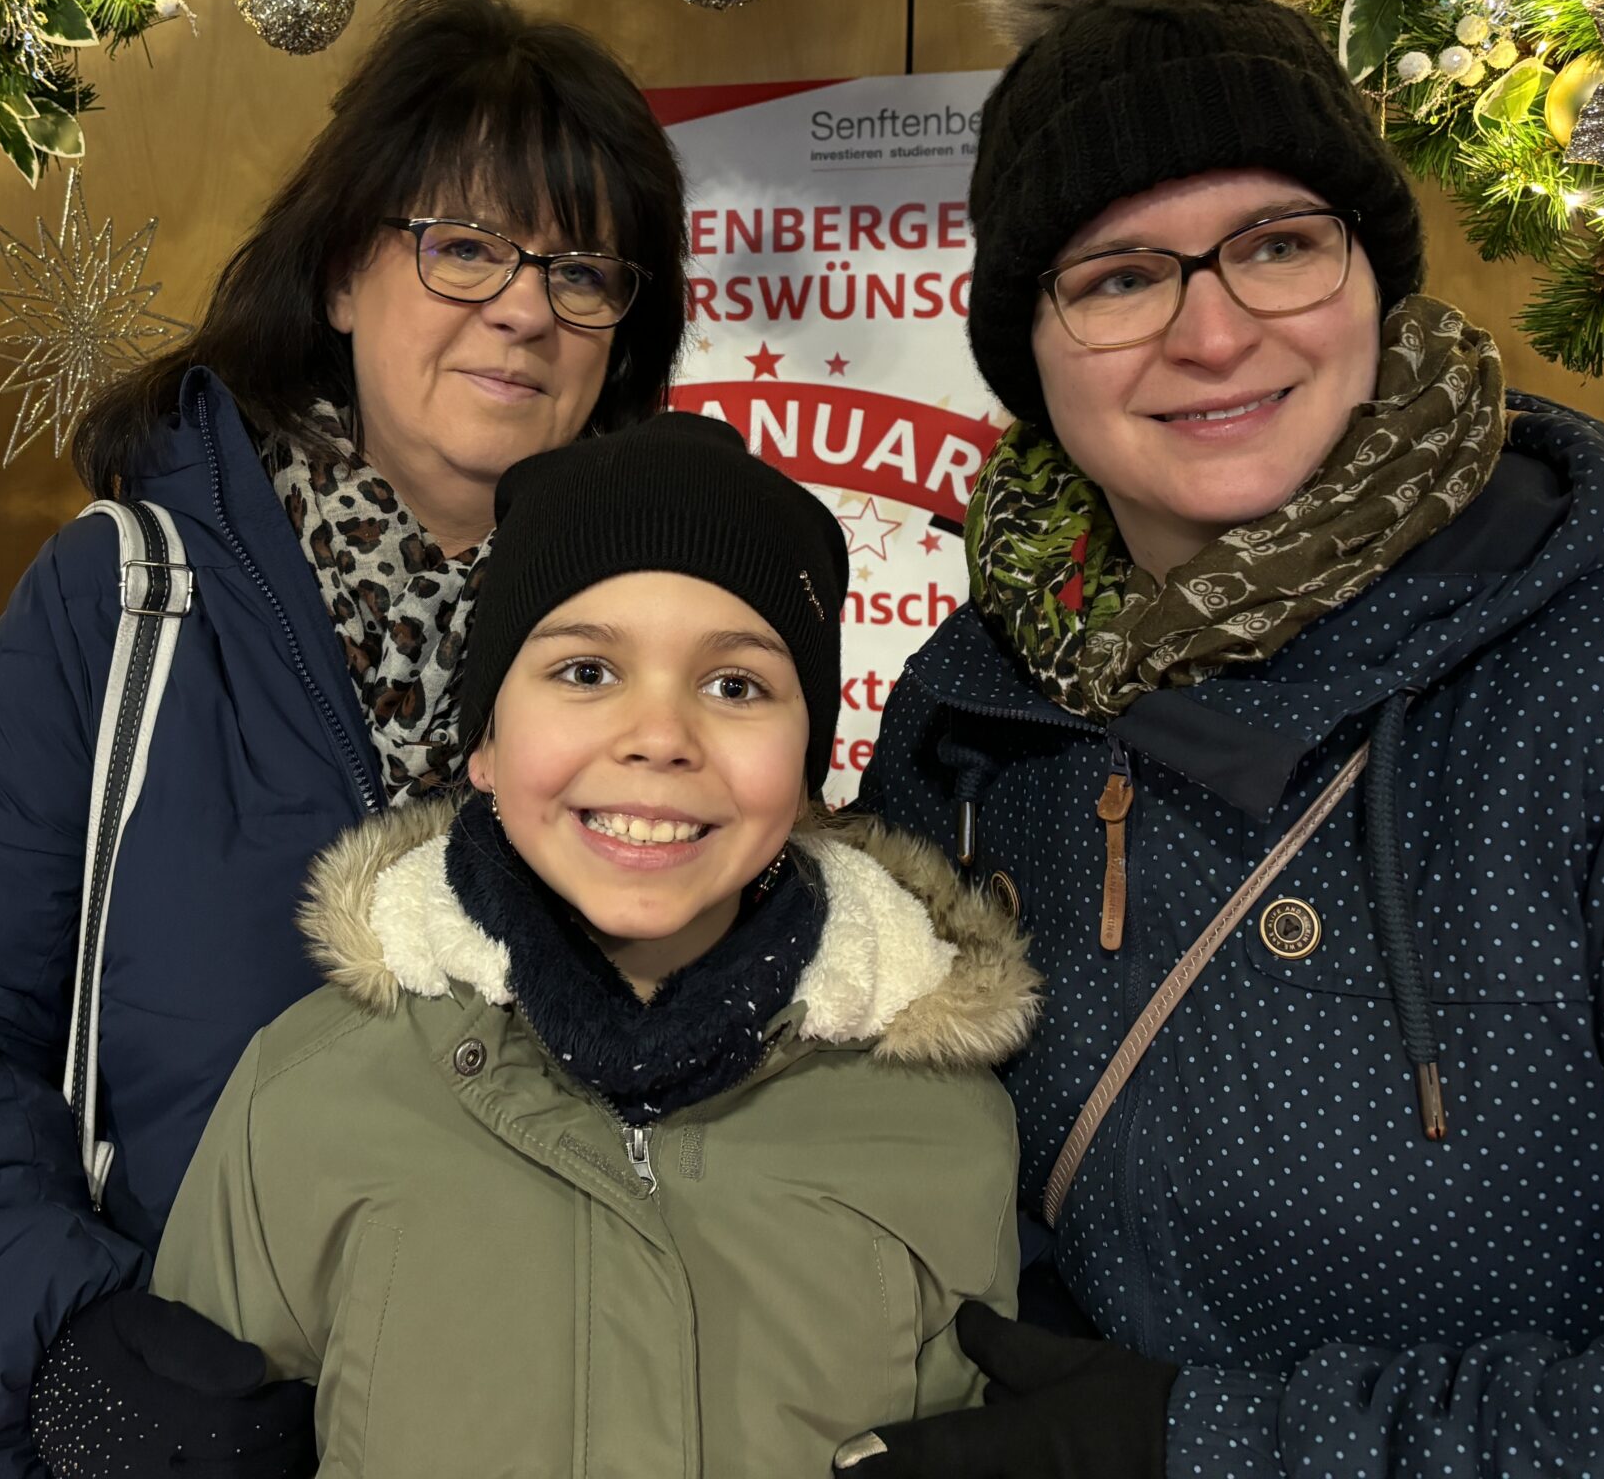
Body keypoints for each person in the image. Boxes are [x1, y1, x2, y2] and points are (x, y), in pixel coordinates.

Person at [841, 0, 1604, 1477]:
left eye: (1275, 245)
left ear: (1371, 281)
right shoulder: (972, 718)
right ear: (1023, 346)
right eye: (1119, 275)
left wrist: (1210, 1452)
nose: (1211, 331)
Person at [0, 0, 690, 1479]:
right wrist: (66, 1356)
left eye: (583, 270)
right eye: (466, 245)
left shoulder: (686, 641)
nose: (526, 308)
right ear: (345, 273)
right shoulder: (129, 605)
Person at [145, 412, 1041, 1473]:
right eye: (583, 672)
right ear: (483, 740)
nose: (659, 736)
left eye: (736, 685)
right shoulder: (304, 1094)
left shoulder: (943, 1124)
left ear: (806, 768)